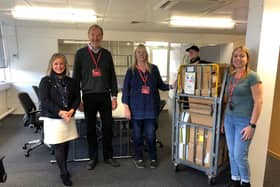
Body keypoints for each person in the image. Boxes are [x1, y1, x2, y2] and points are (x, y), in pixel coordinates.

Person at [72, 24, 120, 170]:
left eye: (98, 35)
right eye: (93, 34)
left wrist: (114, 97)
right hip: (88, 96)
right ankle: (92, 157)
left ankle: (108, 156)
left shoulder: (106, 54)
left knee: (107, 127)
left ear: (102, 37)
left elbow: (112, 76)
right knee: (90, 129)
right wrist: (77, 99)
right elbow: (76, 79)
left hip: (105, 96)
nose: (95, 37)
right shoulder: (80, 54)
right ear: (88, 36)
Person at [122, 44, 173, 169]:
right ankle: (138, 157)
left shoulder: (153, 69)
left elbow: (160, 85)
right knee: (137, 136)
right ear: (135, 54)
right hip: (136, 110)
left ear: (147, 54)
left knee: (151, 135)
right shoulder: (131, 71)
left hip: (150, 109)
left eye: (143, 52)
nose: (141, 54)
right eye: (139, 52)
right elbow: (125, 91)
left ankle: (153, 156)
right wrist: (126, 108)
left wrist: (172, 86)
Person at [222, 46, 263, 187]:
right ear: (232, 59)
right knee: (231, 153)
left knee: (240, 155)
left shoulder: (252, 76)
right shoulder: (230, 76)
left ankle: (245, 182)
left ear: (247, 59)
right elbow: (228, 99)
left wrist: (252, 125)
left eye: (241, 56)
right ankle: (235, 180)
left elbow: (258, 101)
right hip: (229, 119)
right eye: (235, 56)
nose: (238, 59)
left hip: (244, 121)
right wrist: (223, 120)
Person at [39, 53, 81, 186]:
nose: (59, 66)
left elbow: (76, 98)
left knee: (66, 143)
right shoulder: (45, 81)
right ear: (51, 65)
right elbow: (44, 100)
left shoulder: (71, 81)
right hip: (54, 118)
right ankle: (63, 172)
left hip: (68, 117)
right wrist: (60, 112)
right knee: (59, 146)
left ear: (65, 65)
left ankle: (64, 167)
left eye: (61, 63)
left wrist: (71, 110)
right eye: (56, 64)